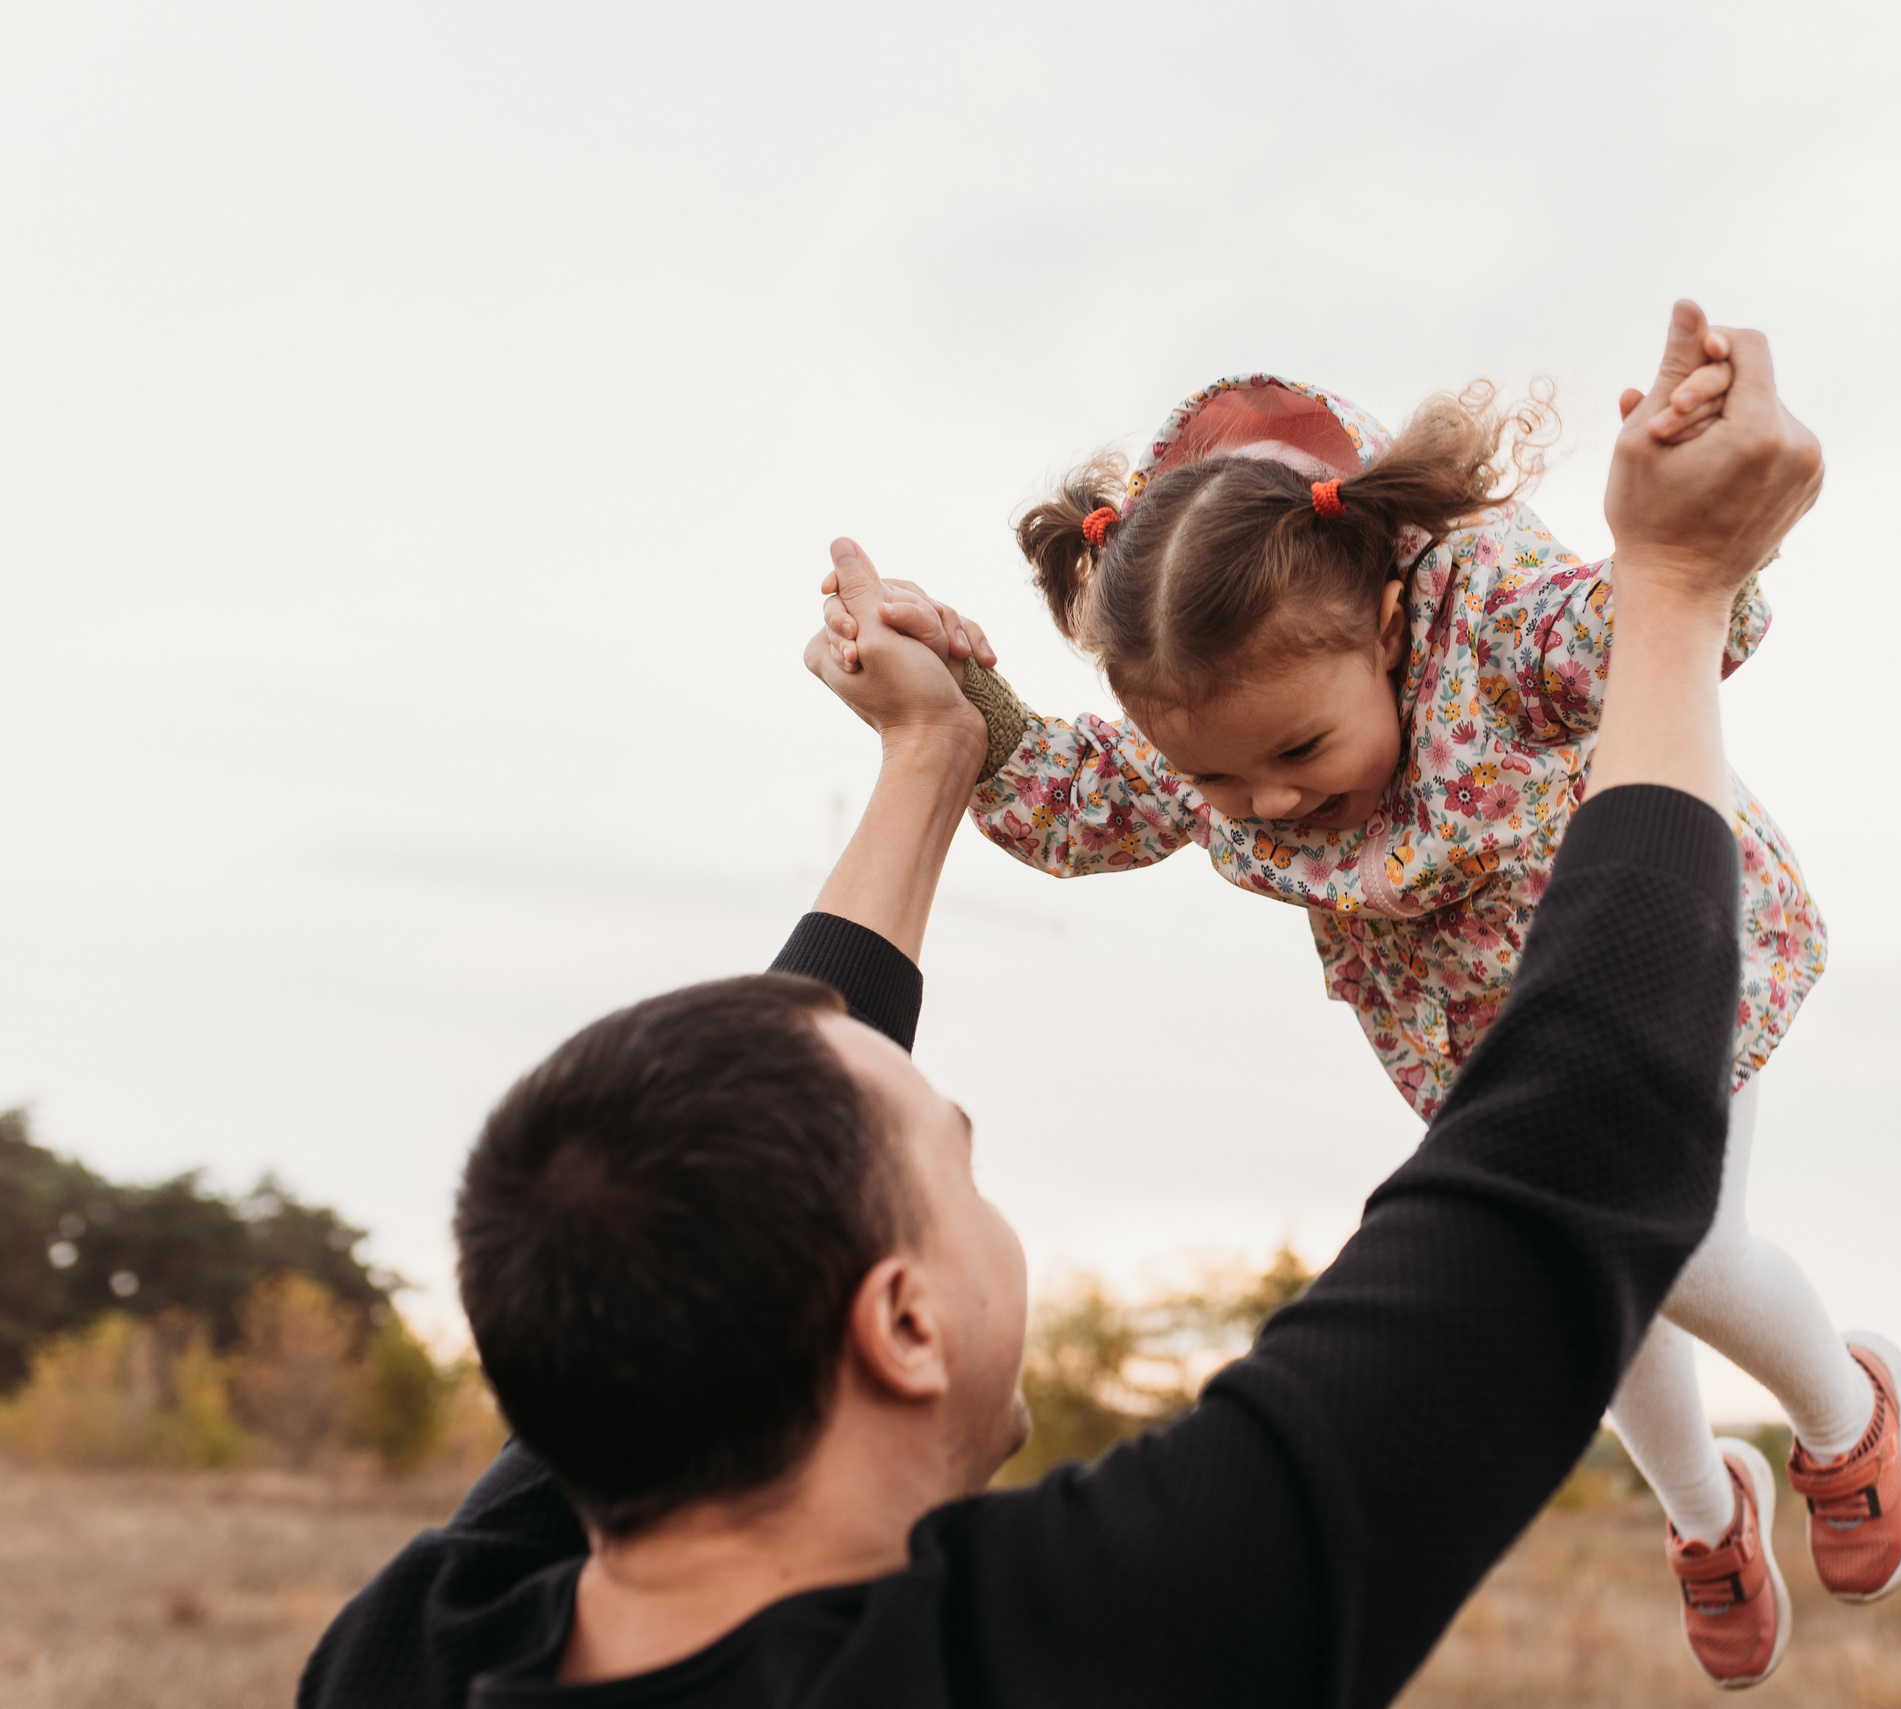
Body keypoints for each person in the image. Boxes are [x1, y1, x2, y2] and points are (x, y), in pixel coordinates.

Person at [298, 301, 1824, 1708]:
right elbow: (1573, 1165)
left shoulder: (411, 1652)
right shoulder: (1100, 1638)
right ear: (903, 1319)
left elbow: (715, 1186)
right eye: (959, 1163)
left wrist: (930, 753)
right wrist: (1676, 588)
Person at [826, 365, 1901, 1682]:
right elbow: (1079, 799)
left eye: (1300, 752)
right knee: (1587, 1292)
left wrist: (1697, 518)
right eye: (1216, 776)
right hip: (1493, 1054)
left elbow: (1664, 617)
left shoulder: (1494, 627)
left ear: (1389, 623)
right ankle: (1705, 1510)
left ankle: (1848, 1410)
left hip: (1662, 955)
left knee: (1670, 1236)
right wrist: (959, 696)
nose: (1266, 804)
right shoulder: (1215, 725)